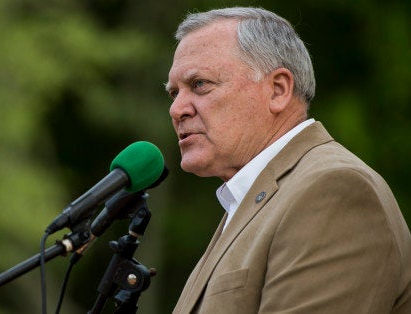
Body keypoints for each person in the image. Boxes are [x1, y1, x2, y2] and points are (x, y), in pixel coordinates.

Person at [165, 7, 411, 313]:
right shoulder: (254, 198)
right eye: (174, 93)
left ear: (278, 90)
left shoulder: (334, 190)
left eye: (200, 84)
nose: (177, 109)